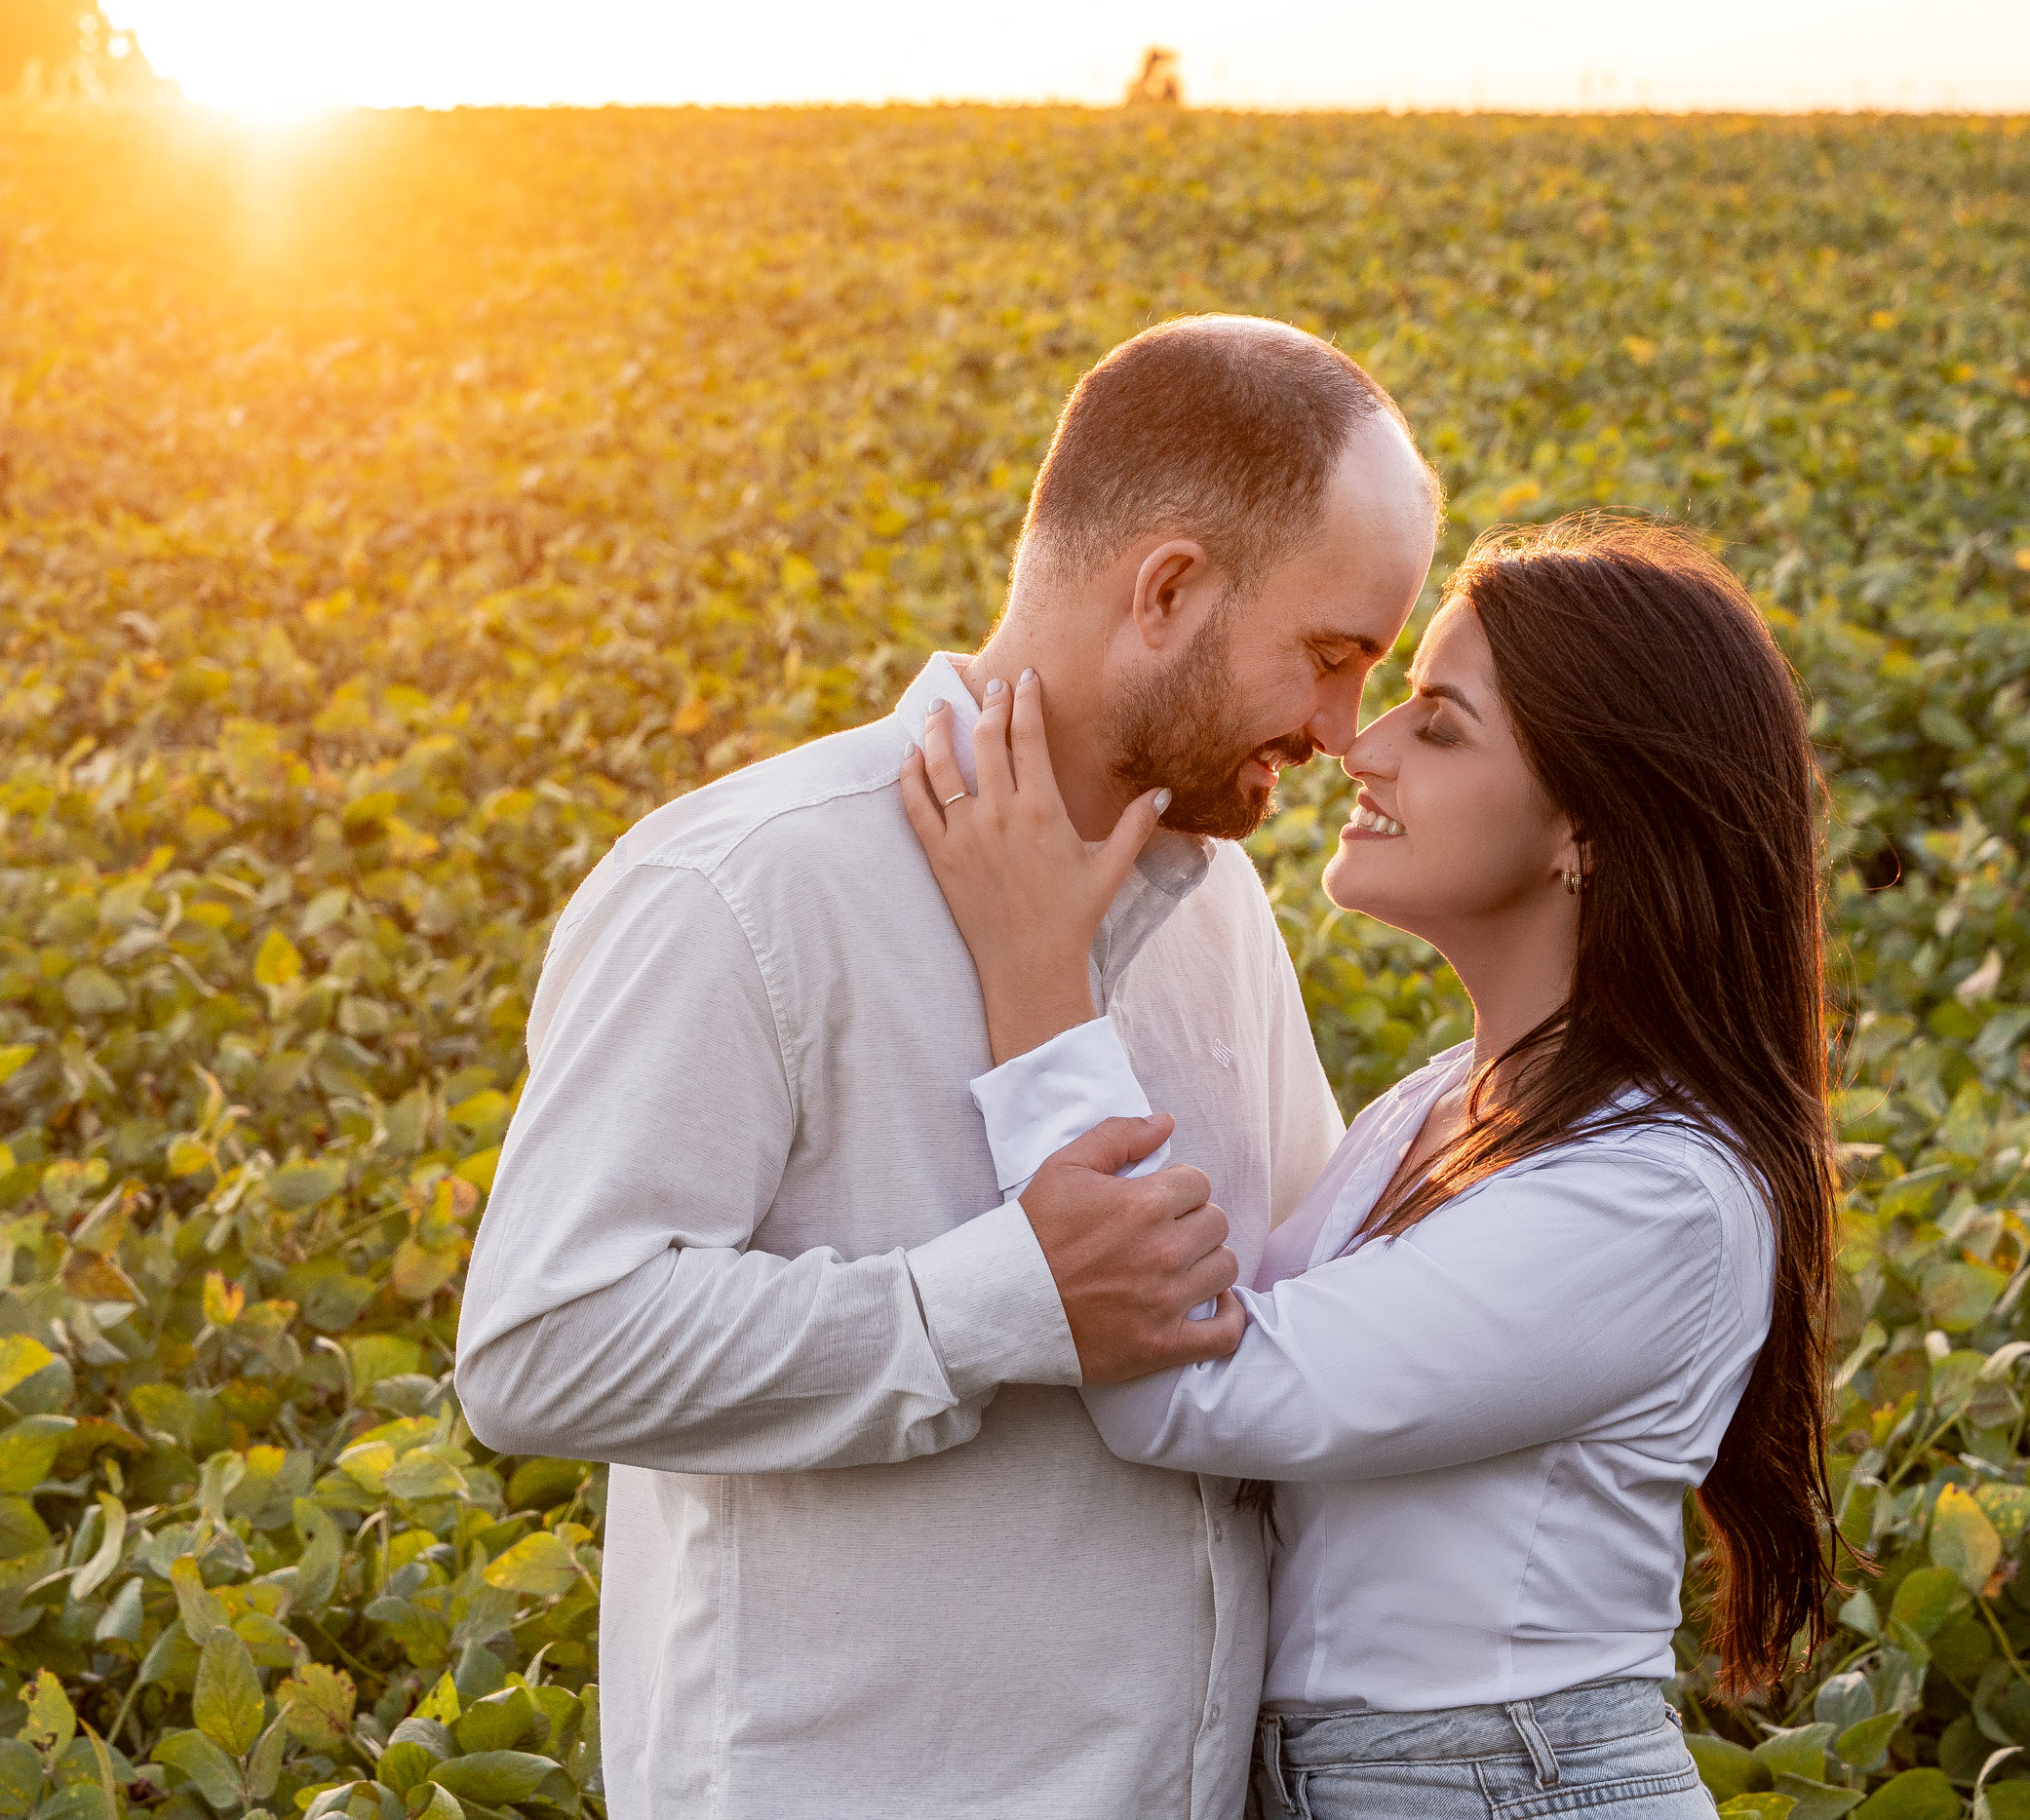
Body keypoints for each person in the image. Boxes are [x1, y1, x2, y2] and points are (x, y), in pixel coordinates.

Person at [453, 315, 1441, 1819]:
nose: (1341, 728)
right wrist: (995, 1305)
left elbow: (1281, 1331)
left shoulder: (1221, 908)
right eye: (1329, 657)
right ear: (1166, 591)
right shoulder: (744, 888)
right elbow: (544, 1346)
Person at [900, 520, 1840, 1820]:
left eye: (1439, 726)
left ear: (1589, 831)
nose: (1362, 745)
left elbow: (1187, 1389)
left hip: (1505, 1788)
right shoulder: (1438, 1105)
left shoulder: (1656, 1196)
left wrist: (1037, 974)